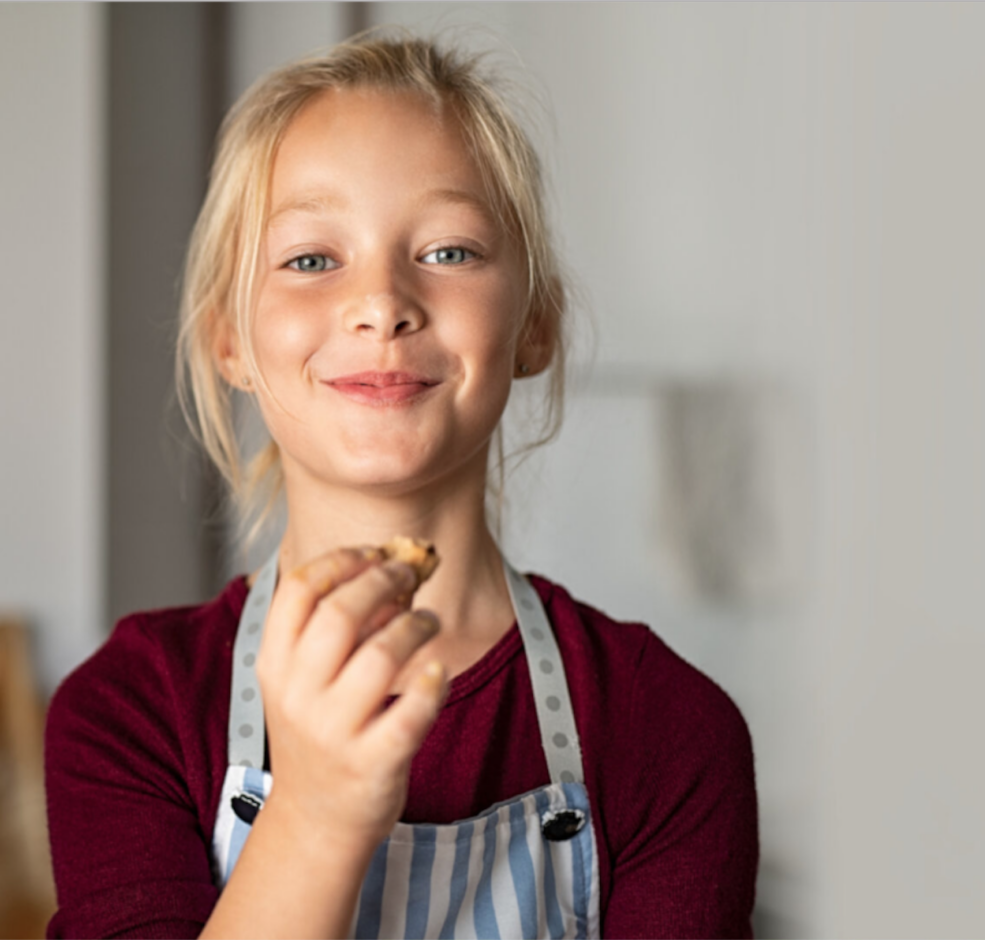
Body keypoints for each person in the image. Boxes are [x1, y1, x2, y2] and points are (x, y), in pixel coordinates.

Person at [45, 32, 758, 940]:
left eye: (451, 251)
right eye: (311, 259)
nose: (381, 302)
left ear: (534, 326)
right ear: (231, 340)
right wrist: (317, 812)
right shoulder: (129, 712)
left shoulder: (671, 727)